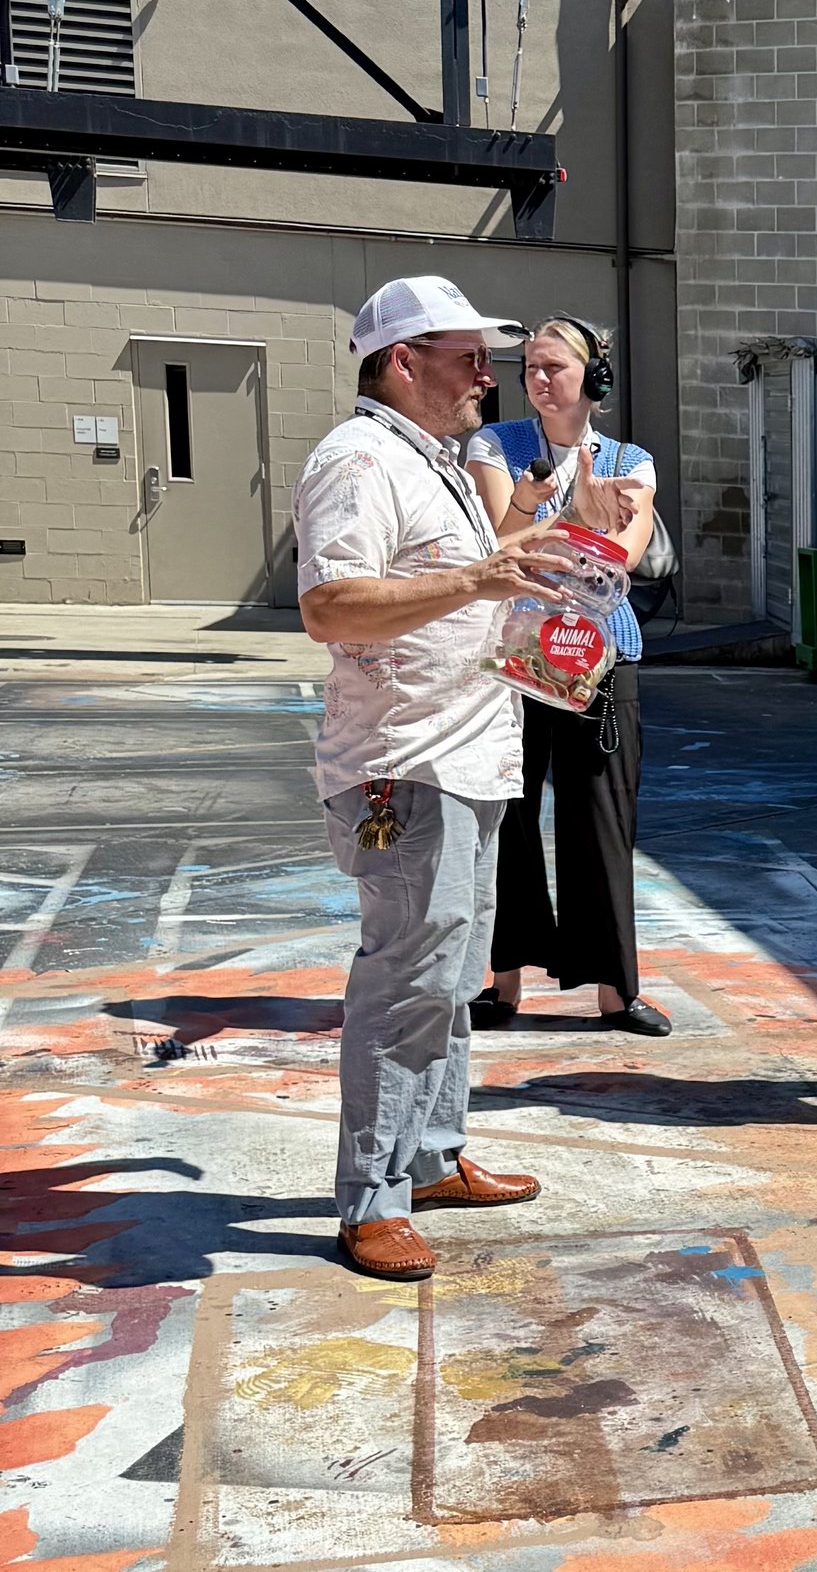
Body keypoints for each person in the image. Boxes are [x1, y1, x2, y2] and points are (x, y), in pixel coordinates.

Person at [295, 275, 567, 1281]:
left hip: (461, 758)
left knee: (449, 978)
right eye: (466, 358)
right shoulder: (359, 458)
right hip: (398, 774)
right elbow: (330, 606)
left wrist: (509, 556)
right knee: (406, 976)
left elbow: (444, 588)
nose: (483, 377)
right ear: (401, 361)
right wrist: (474, 577)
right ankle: (371, 1198)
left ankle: (432, 1155)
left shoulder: (431, 460)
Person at [463, 316, 671, 1038]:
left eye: (554, 367)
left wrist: (557, 530)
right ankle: (505, 983)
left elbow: (620, 560)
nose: (538, 379)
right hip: (517, 658)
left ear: (593, 378)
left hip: (601, 656)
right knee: (506, 819)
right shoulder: (496, 445)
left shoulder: (631, 460)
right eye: (530, 367)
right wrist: (569, 518)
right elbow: (495, 548)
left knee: (602, 825)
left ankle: (616, 990)